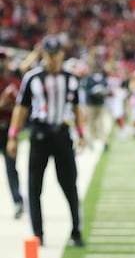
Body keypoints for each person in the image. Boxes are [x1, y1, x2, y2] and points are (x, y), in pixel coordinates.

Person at [6, 35, 86, 247]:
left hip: (62, 134)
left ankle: (76, 231)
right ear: (43, 54)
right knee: (34, 187)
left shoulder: (70, 78)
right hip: (40, 134)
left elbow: (77, 108)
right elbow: (21, 108)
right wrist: (13, 136)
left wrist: (81, 133)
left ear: (62, 54)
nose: (52, 58)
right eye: (49, 54)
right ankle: (38, 234)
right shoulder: (33, 77)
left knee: (69, 184)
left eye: (55, 54)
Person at [0, 49, 24, 219]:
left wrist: (13, 104)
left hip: (8, 129)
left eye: (3, 60)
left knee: (11, 167)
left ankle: (18, 201)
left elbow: (23, 108)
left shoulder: (14, 82)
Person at [81, 60, 110, 151]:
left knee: (100, 123)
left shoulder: (102, 78)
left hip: (99, 103)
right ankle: (90, 142)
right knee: (90, 123)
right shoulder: (88, 78)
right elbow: (86, 90)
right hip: (91, 104)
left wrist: (101, 92)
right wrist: (94, 92)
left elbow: (106, 89)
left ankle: (103, 141)